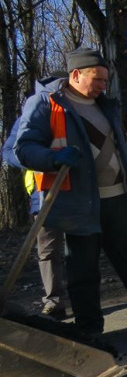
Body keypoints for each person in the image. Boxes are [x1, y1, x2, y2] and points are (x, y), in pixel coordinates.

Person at [13, 47, 127, 335]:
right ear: (75, 75)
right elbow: (23, 149)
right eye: (96, 80)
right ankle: (90, 332)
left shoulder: (105, 105)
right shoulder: (46, 104)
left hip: (117, 199)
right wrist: (53, 158)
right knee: (83, 272)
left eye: (105, 81)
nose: (102, 86)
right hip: (79, 203)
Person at [2, 74, 68, 319]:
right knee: (48, 250)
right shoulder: (36, 111)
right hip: (45, 192)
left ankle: (85, 301)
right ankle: (54, 300)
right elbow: (10, 151)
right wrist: (45, 159)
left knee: (82, 248)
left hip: (83, 192)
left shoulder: (82, 110)